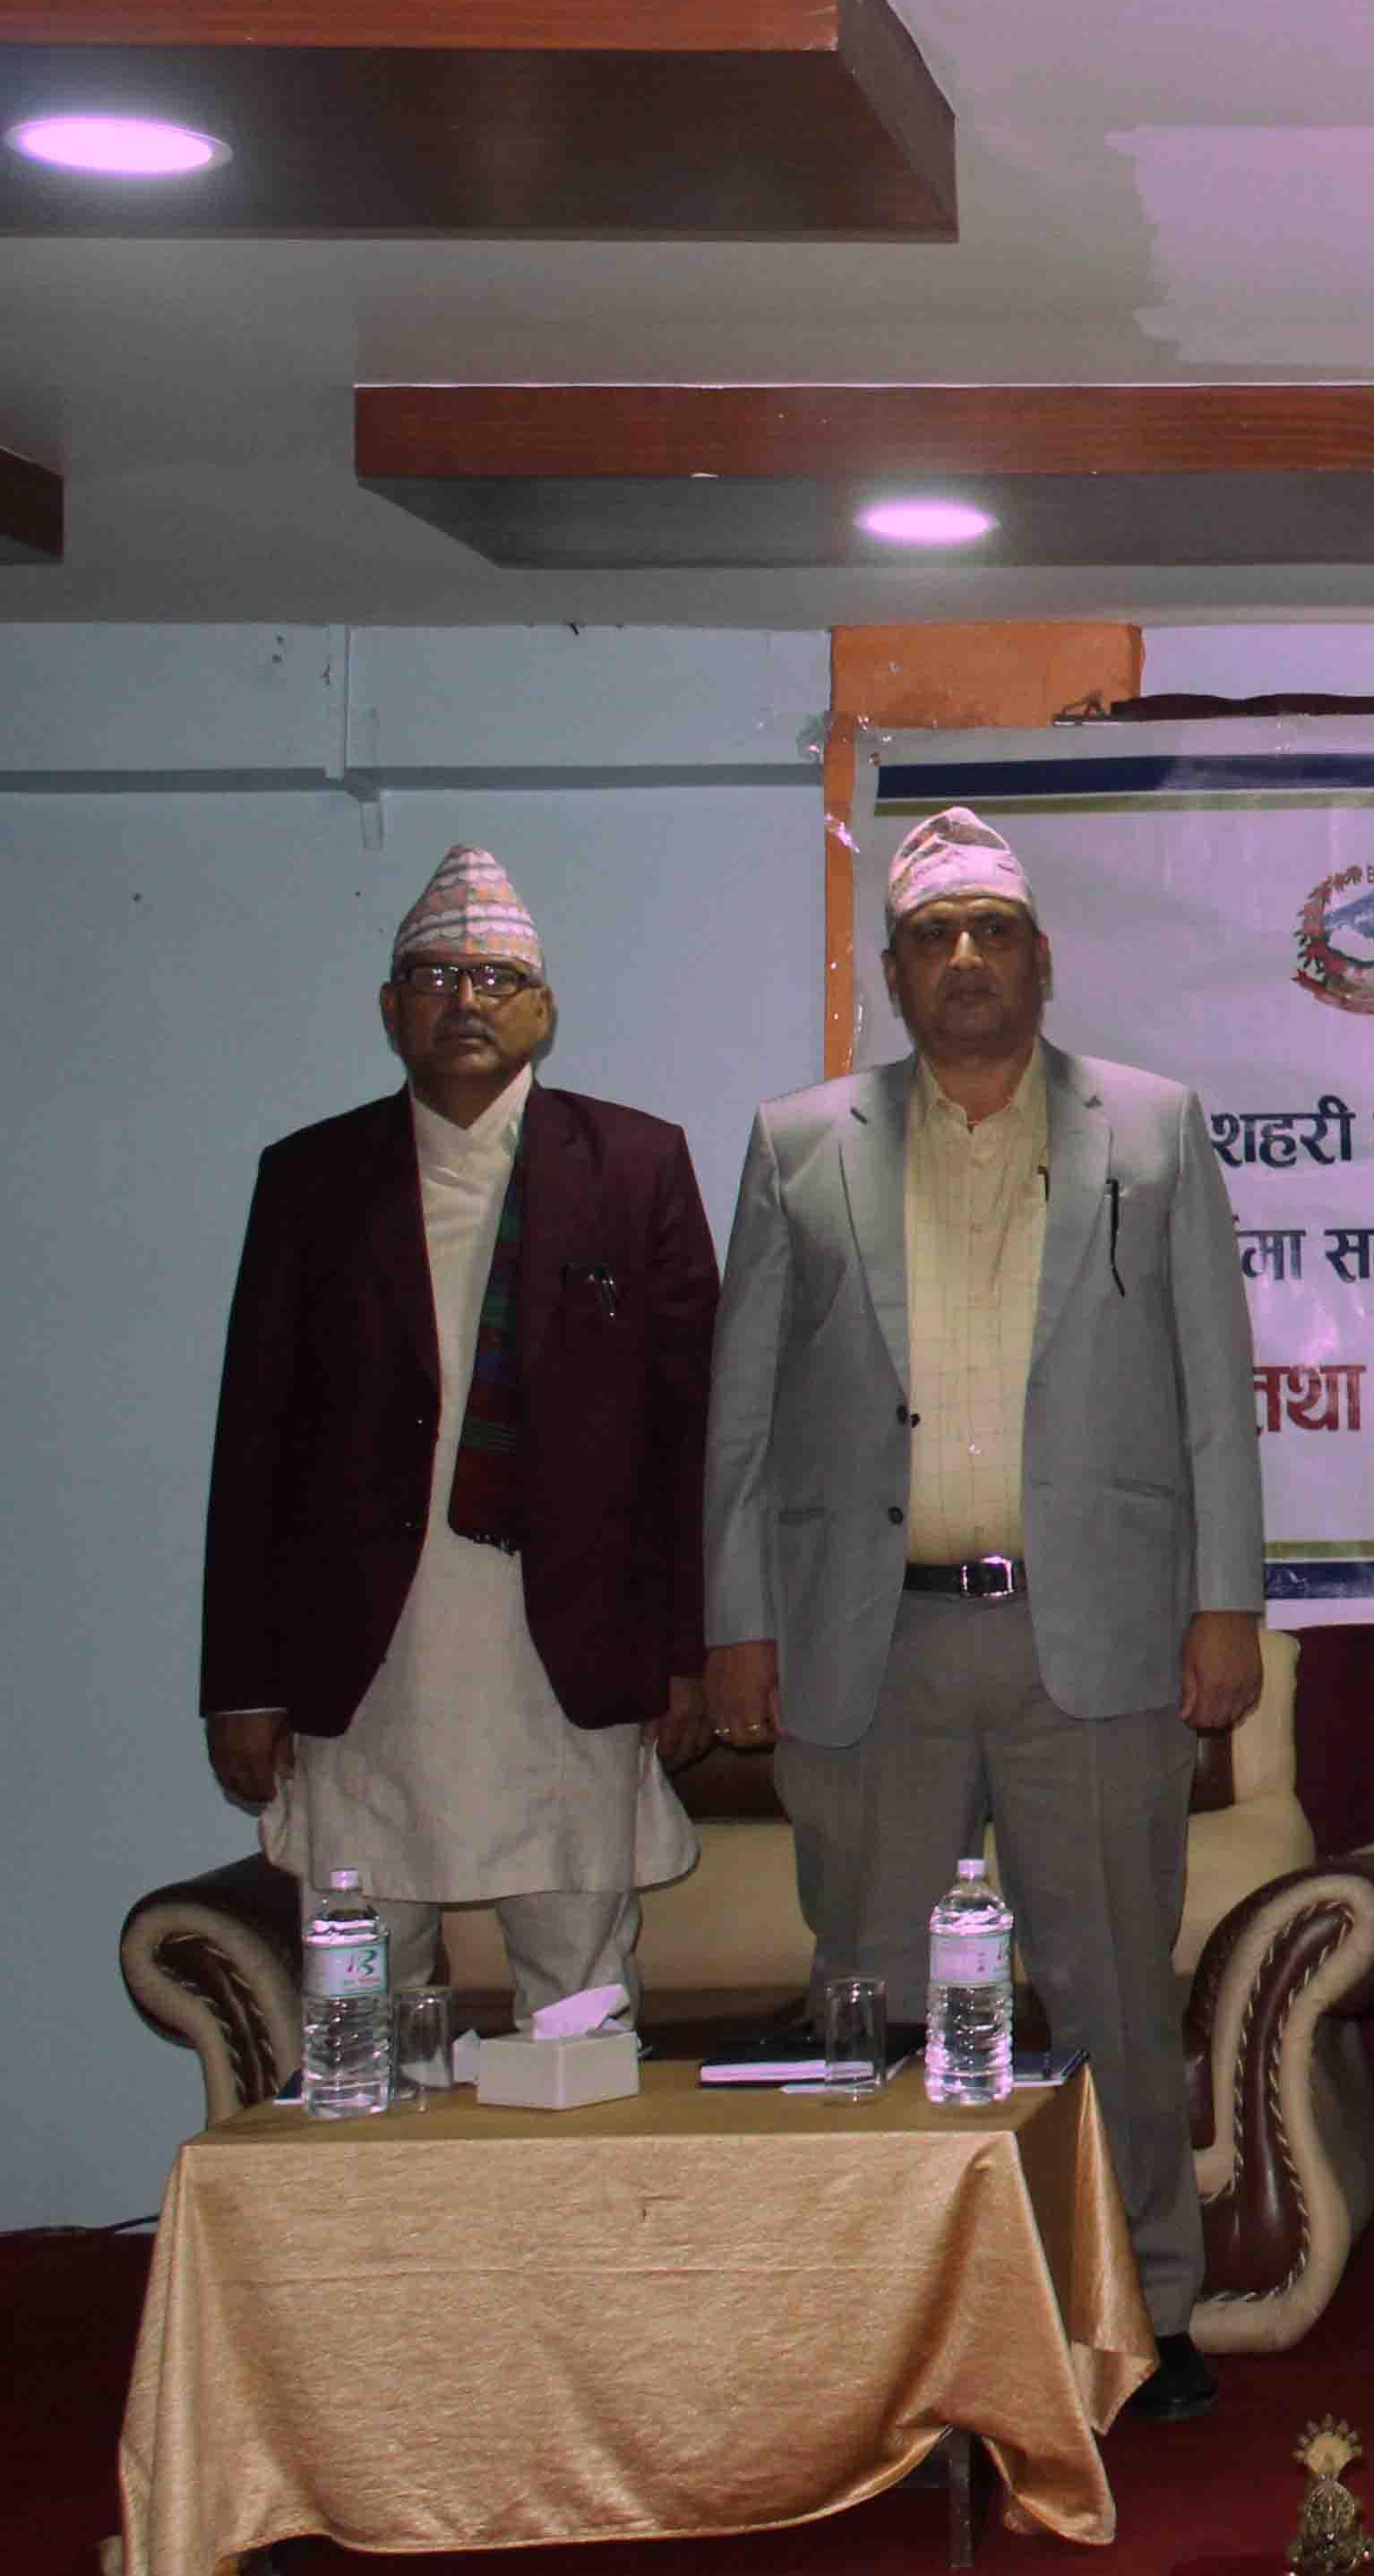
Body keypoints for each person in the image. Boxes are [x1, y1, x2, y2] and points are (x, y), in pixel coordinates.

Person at [703, 807, 1263, 2425]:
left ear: (1041, 960)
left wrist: (1223, 1604)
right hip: (866, 1641)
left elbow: (1211, 1396)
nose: (965, 961)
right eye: (933, 938)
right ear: (893, 974)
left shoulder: (1151, 1129)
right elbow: (741, 1419)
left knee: (1110, 1990)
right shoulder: (798, 1144)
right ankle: (894, 2326)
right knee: (871, 1992)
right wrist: (738, 1621)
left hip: (1089, 1635)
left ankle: (1145, 2314)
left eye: (993, 933)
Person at [200, 846, 716, 2015]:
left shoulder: (635, 1166)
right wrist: (243, 1682)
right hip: (368, 1652)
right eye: (435, 978)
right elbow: (254, 1443)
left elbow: (688, 1437)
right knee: (362, 2003)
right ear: (392, 1011)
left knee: (579, 1992)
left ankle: (577, 2139)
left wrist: (686, 1652)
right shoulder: (312, 1181)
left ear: (543, 1010)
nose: (466, 1001)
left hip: (569, 1650)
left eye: (495, 978)